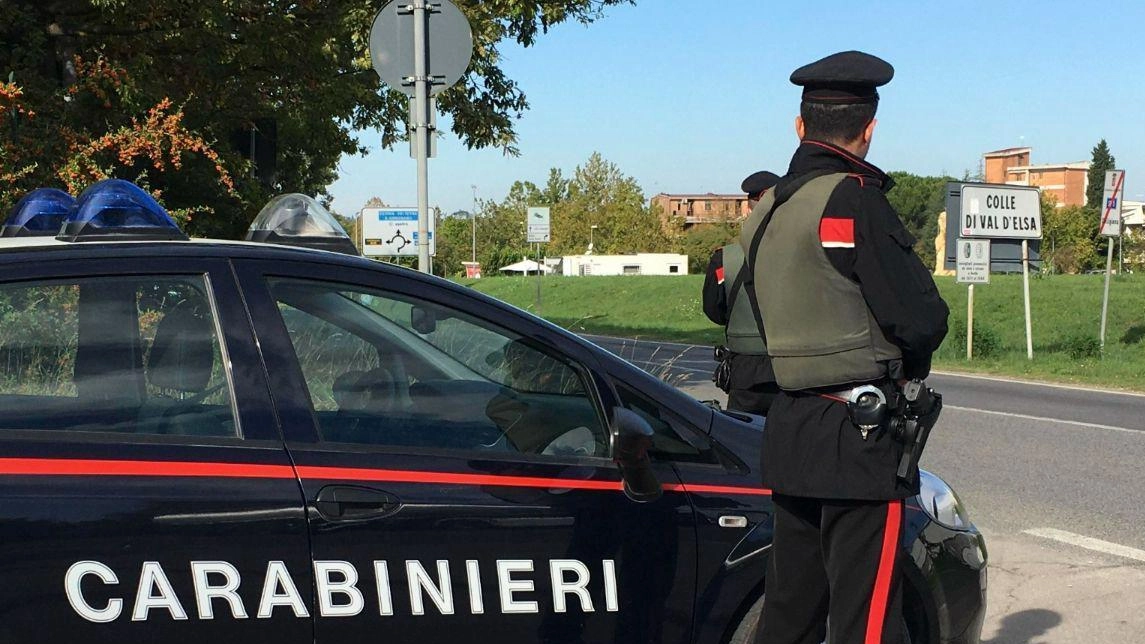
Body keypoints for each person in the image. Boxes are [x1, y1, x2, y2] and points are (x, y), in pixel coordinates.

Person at [740, 51, 949, 644]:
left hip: (788, 433)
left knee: (788, 614)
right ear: (869, 128)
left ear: (800, 126)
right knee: (867, 622)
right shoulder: (854, 198)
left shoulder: (767, 211)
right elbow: (921, 317)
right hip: (857, 440)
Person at [702, 170, 781, 414]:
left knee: (742, 439)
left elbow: (714, 310)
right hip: (792, 366)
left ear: (748, 209)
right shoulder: (804, 254)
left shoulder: (724, 259)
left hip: (744, 369)